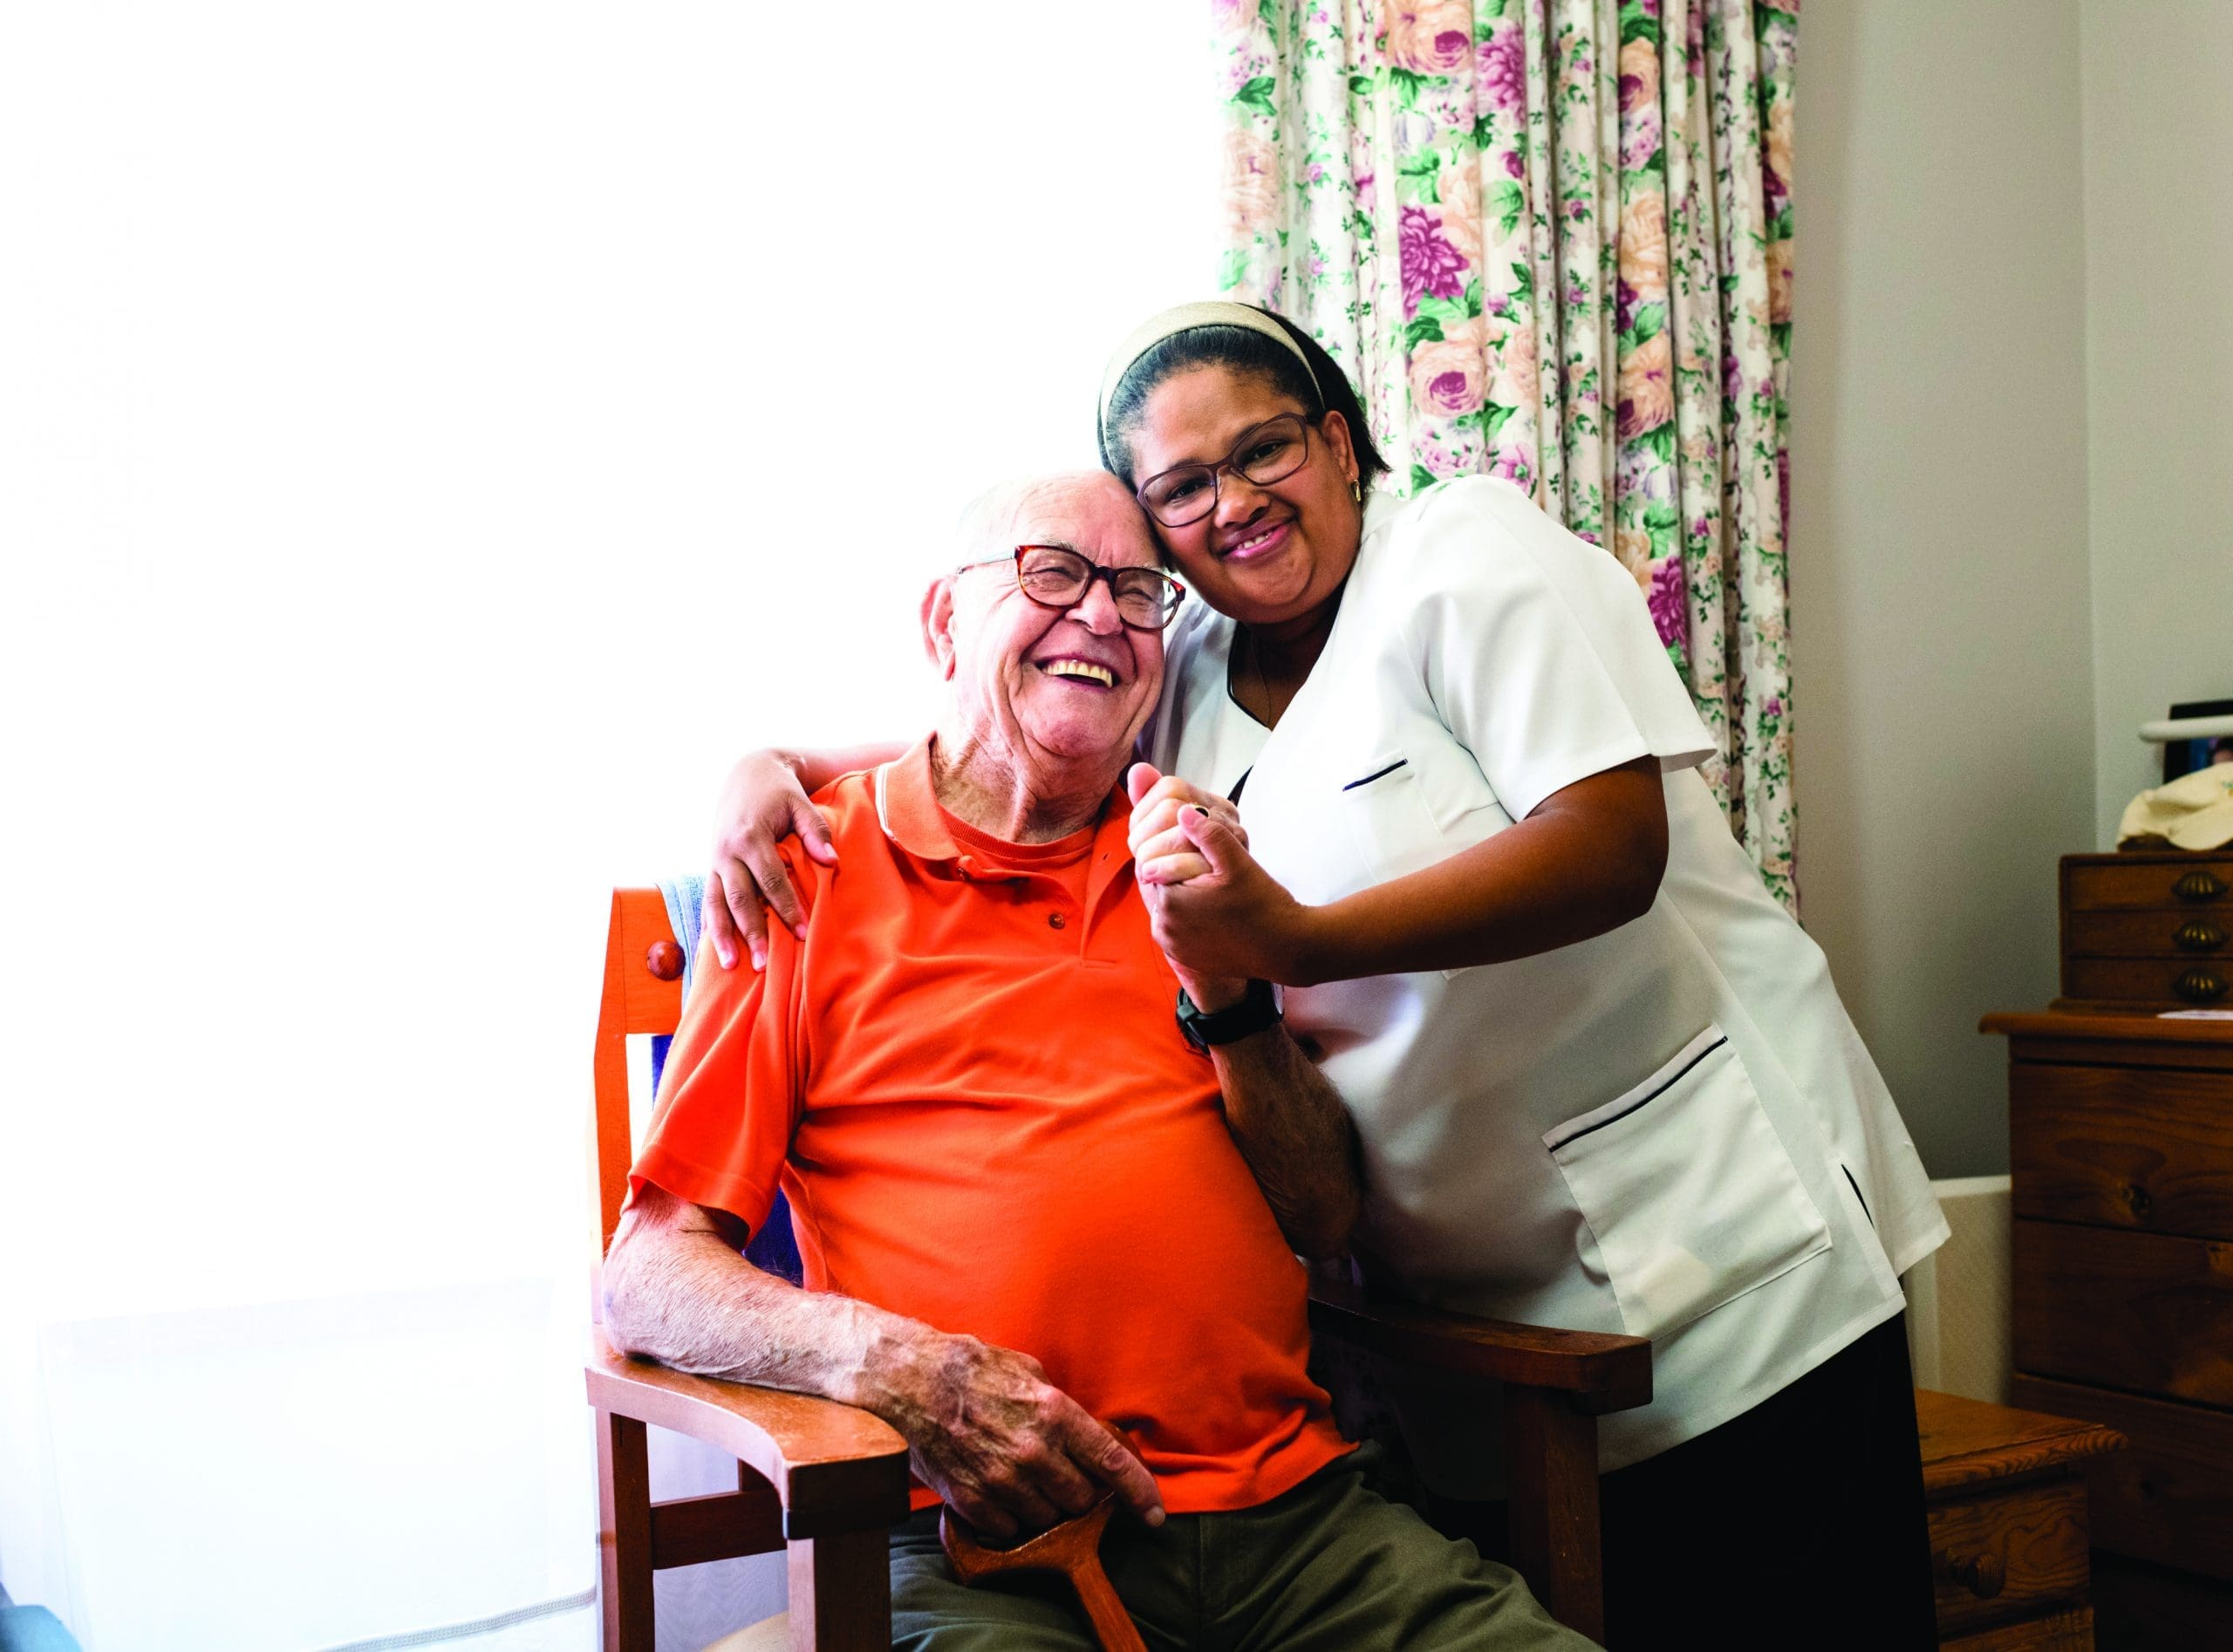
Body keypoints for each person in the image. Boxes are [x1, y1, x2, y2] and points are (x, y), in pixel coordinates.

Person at [706, 304, 1955, 1648]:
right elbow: (1001, 709)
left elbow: (1611, 848)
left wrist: (1288, 947)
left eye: (1267, 450)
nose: (1233, 503)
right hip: (1464, 1311)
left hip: (1721, 1231)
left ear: (1344, 445)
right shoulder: (1178, 664)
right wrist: (764, 764)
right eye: (1182, 488)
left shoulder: (1460, 552)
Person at [604, 472, 1596, 1651]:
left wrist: (1231, 990)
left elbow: (1324, 1213)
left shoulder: (1194, 865)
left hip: (1302, 1523)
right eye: (1051, 572)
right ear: (943, 621)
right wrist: (902, 1368)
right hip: (983, 1543)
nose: (1101, 615)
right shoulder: (803, 872)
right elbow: (650, 1274)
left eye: (1137, 590)